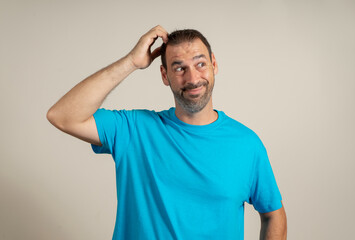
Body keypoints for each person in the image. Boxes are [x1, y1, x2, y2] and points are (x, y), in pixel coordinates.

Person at [47, 25, 287, 240]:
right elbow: (63, 116)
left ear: (214, 64)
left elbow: (273, 214)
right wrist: (131, 61)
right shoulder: (134, 129)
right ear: (165, 75)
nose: (192, 78)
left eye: (200, 64)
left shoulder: (246, 144)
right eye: (179, 68)